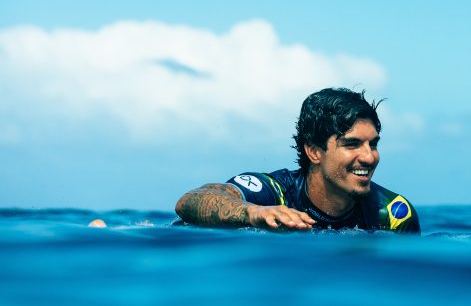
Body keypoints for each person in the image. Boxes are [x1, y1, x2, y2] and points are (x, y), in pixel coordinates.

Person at [175, 87, 420, 233]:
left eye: (373, 144)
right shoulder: (275, 194)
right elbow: (190, 202)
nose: (369, 157)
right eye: (352, 144)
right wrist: (253, 213)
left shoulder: (392, 215)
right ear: (314, 151)